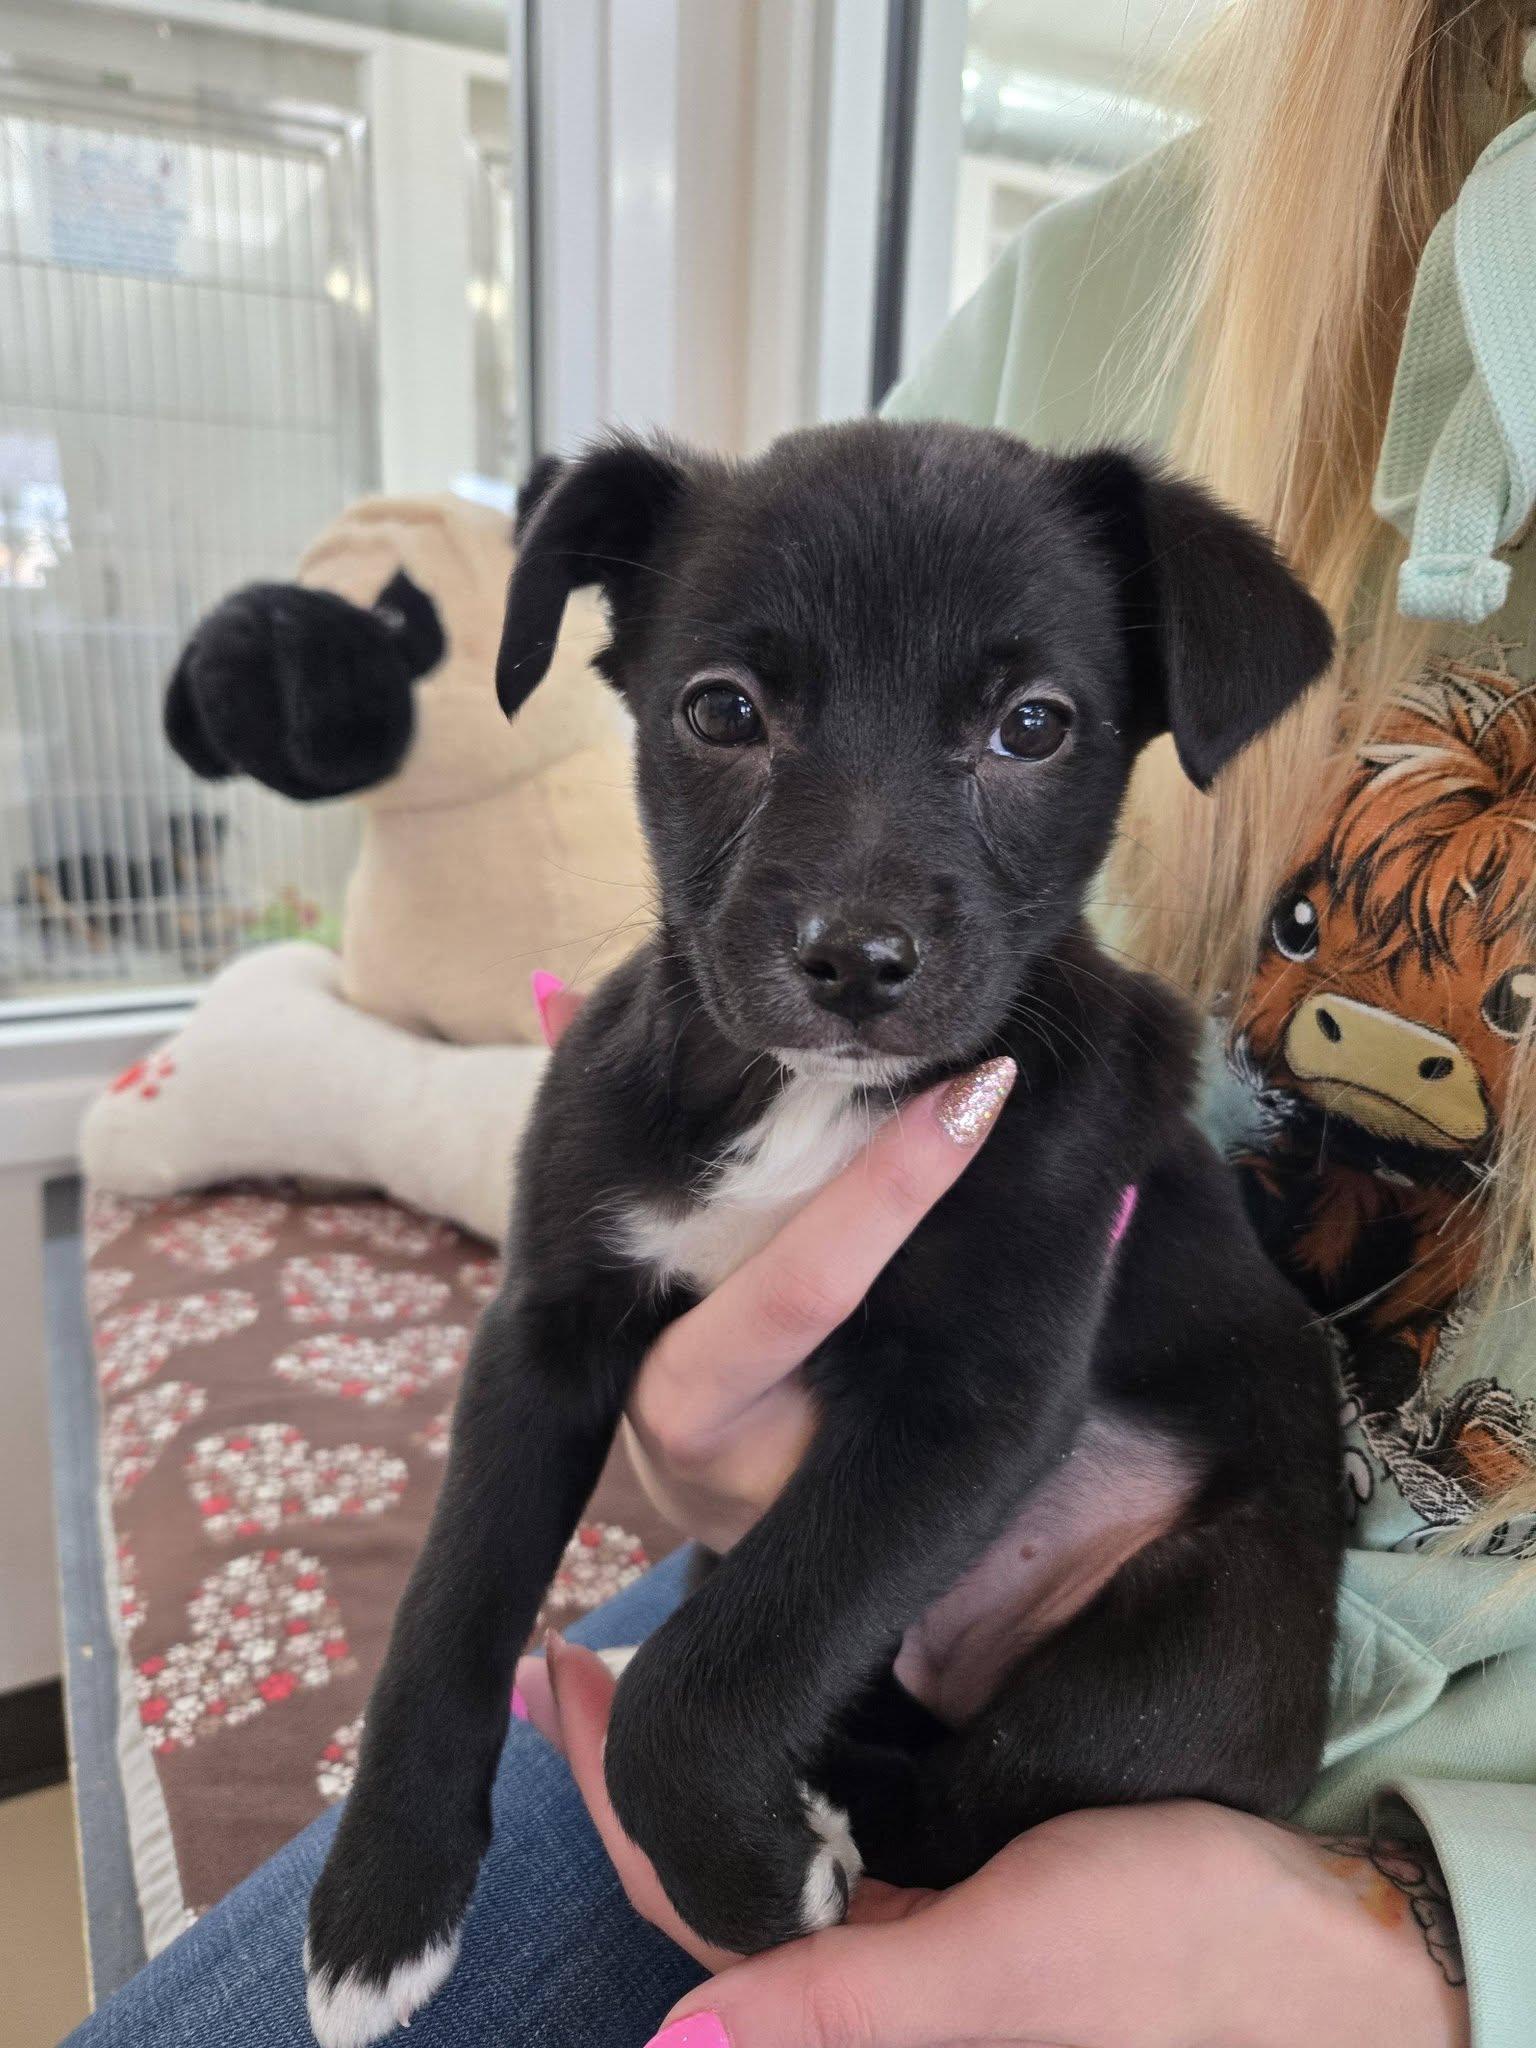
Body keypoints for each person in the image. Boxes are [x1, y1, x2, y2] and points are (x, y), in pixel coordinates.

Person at [70, 1, 1536, 2043]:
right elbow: (553, 1357)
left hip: (1191, 1609)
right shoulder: (1141, 274)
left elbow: (979, 1408)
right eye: (733, 712)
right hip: (827, 1571)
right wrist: (423, 1776)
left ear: (1148, 710)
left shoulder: (1067, 1085)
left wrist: (1441, 1952)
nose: (857, 911)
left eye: (1025, 728)